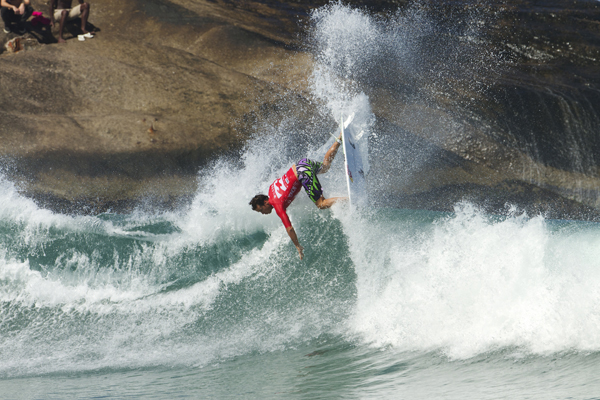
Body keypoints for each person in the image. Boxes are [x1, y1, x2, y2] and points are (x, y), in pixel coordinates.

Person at [250, 134, 347, 260]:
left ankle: (349, 199)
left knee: (321, 204)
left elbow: (289, 229)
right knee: (325, 167)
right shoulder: (271, 188)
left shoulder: (277, 205)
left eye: (261, 210)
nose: (263, 213)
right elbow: (287, 184)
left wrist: (297, 246)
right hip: (302, 164)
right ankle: (339, 139)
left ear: (265, 202)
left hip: (303, 174)